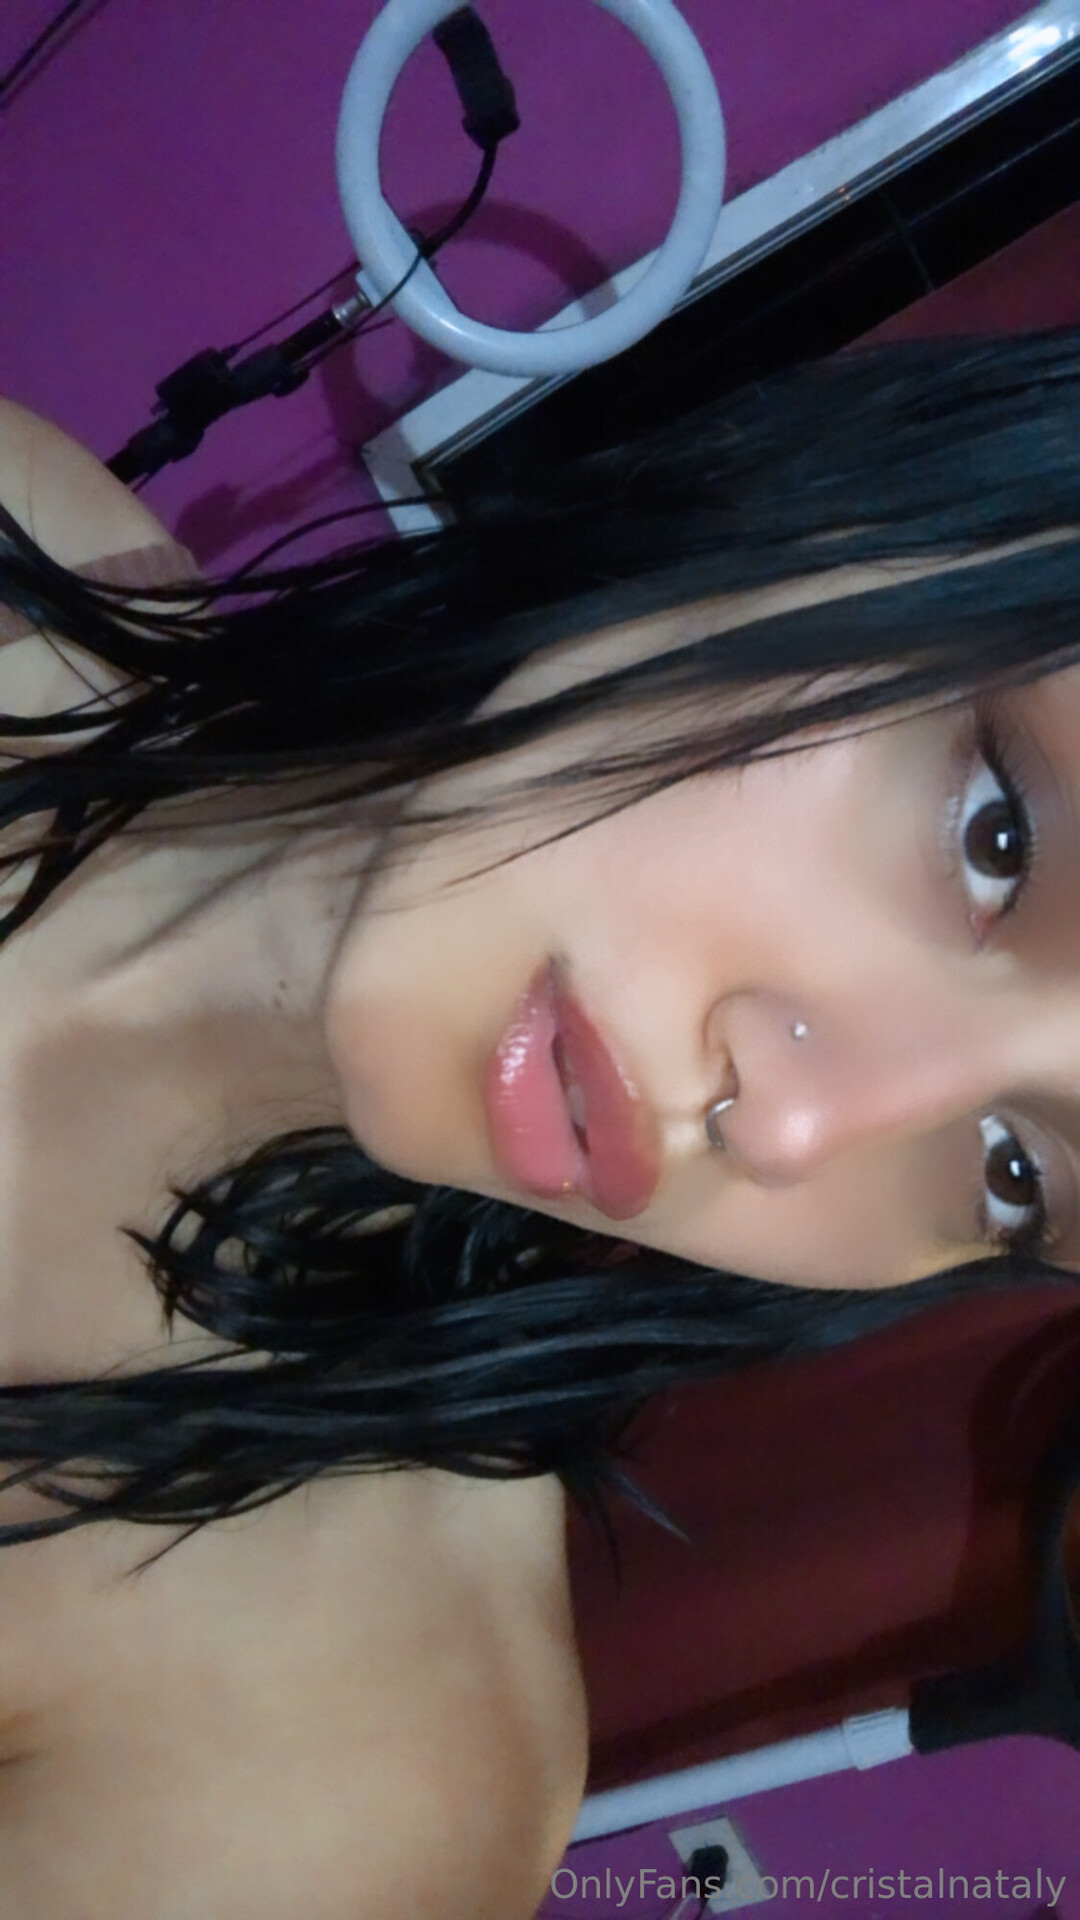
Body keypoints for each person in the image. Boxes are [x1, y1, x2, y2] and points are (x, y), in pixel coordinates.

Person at [1, 326, 1079, 1916]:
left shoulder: (334, 1774)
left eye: (1016, 1173)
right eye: (996, 837)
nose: (796, 1130)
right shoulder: (21, 533)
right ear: (875, 509)